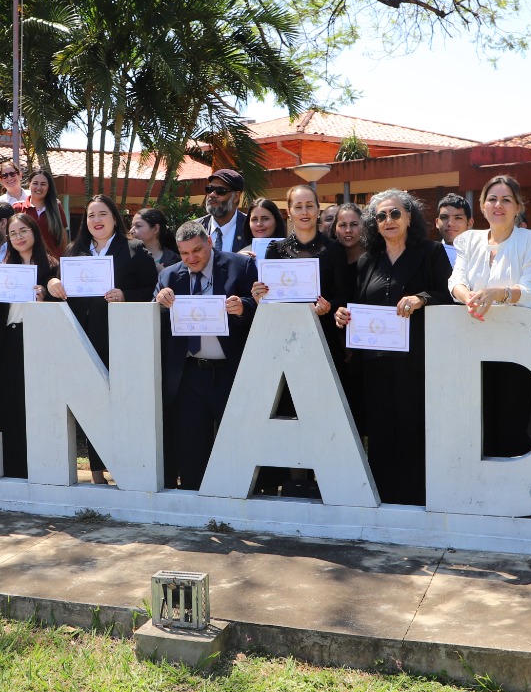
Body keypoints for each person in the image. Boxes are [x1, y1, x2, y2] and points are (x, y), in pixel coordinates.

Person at [334, 190, 452, 506]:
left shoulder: (431, 253)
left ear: (410, 217)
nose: (388, 220)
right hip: (375, 366)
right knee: (381, 432)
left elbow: (449, 295)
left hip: (416, 364)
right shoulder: (365, 261)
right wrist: (343, 314)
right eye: (381, 216)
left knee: (413, 431)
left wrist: (421, 298)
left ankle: (415, 501)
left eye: (395, 213)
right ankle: (382, 500)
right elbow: (355, 305)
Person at [47, 195, 158, 482]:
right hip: (84, 337)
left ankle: (128, 471)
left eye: (102, 214)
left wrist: (125, 296)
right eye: (91, 215)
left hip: (121, 341)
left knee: (121, 404)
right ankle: (96, 473)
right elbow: (60, 289)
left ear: (114, 218)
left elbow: (151, 290)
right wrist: (54, 283)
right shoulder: (75, 251)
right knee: (91, 406)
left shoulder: (134, 249)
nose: (96, 220)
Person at [249, 184, 350, 496]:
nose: (304, 212)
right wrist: (258, 295)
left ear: (318, 210)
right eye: (298, 207)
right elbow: (270, 296)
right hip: (287, 343)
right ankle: (295, 478)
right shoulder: (275, 251)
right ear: (289, 212)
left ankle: (327, 478)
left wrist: (328, 306)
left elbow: (343, 294)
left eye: (310, 206)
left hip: (323, 339)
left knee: (321, 408)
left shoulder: (334, 250)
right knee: (290, 407)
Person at [447, 175, 531, 458]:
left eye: (506, 199)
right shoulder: (468, 240)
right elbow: (455, 280)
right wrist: (465, 295)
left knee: (515, 427)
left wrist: (497, 293)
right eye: (492, 199)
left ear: (518, 207)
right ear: (481, 206)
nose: (498, 205)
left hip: (518, 350)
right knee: (479, 425)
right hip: (474, 345)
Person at [156, 220, 256, 490]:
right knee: (191, 444)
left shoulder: (240, 265)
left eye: (197, 251)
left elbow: (259, 305)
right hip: (188, 374)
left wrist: (243, 306)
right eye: (184, 253)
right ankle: (193, 497)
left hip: (230, 370)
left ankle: (235, 499)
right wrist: (160, 299)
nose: (191, 258)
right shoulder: (169, 277)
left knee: (235, 439)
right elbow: (157, 315)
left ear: (209, 242)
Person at [0, 210, 56, 478]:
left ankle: (38, 467)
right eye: (13, 233)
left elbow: (63, 309)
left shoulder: (53, 268)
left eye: (23, 231)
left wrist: (46, 298)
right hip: (7, 343)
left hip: (38, 343)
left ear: (35, 232)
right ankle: (10, 467)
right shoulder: (2, 270)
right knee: (7, 404)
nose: (18, 237)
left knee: (34, 405)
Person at [332, 201, 368, 431]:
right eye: (342, 225)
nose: (348, 230)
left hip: (368, 349)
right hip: (336, 349)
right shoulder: (328, 260)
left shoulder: (376, 259)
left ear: (364, 227)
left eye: (354, 224)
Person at [20, 167, 68, 258]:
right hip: (27, 264)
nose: (39, 187)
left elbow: (63, 239)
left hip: (53, 265)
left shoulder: (56, 207)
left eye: (43, 184)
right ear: (29, 185)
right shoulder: (18, 208)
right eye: (35, 183)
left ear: (48, 187)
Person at [199, 169, 248, 254]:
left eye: (220, 191)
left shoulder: (251, 228)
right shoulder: (196, 228)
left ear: (236, 196)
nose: (212, 195)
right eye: (210, 189)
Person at [434, 192, 470, 262]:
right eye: (444, 217)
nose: (450, 223)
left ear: (469, 223)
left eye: (458, 218)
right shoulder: (428, 256)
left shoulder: (480, 255)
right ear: (437, 222)